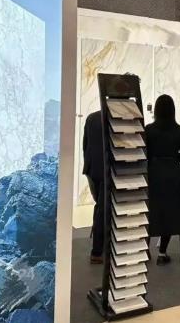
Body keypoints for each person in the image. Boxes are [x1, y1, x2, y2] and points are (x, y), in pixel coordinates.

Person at [146, 94, 180, 265]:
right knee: (170, 212)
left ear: (156, 110)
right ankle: (162, 253)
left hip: (153, 173)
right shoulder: (179, 130)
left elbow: (143, 152)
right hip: (172, 173)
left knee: (150, 211)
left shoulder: (148, 129)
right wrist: (172, 159)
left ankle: (144, 251)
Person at [82, 110, 105, 264]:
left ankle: (97, 247)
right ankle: (97, 251)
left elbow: (85, 145)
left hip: (92, 169)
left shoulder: (91, 118)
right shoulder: (117, 119)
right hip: (107, 170)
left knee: (100, 207)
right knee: (103, 210)